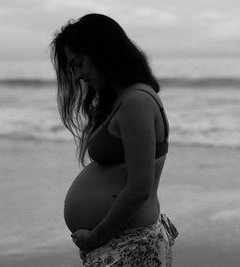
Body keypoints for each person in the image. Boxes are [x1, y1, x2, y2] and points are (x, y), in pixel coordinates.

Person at [50, 13, 178, 266]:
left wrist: (95, 237)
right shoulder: (125, 99)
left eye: (79, 64)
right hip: (123, 242)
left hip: (132, 244)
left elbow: (140, 187)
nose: (78, 76)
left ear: (101, 53)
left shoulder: (136, 102)